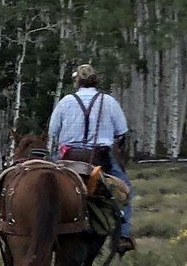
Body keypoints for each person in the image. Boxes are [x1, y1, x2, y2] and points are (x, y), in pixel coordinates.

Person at [48, 63, 134, 252]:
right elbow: (121, 132)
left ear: (77, 81)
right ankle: (123, 236)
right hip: (99, 158)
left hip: (68, 157)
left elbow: (53, 131)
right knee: (125, 189)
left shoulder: (65, 102)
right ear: (95, 80)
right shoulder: (109, 102)